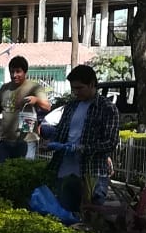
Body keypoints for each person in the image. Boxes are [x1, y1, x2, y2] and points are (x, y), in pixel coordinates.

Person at [45, 64, 119, 215]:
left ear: (92, 84)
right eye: (73, 89)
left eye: (79, 88)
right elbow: (61, 133)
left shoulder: (107, 108)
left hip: (92, 173)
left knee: (91, 219)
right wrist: (51, 144)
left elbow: (111, 142)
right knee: (64, 217)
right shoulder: (71, 106)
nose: (75, 92)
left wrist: (83, 148)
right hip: (65, 171)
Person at [0, 56, 51, 162]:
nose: (14, 75)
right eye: (11, 72)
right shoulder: (5, 88)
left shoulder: (34, 87)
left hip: (26, 141)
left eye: (18, 71)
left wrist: (36, 100)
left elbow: (47, 106)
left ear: (25, 72)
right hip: (5, 140)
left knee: (23, 172)